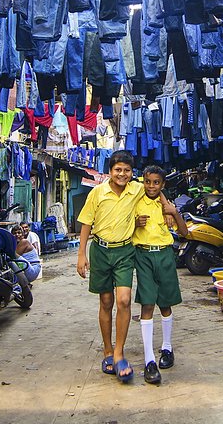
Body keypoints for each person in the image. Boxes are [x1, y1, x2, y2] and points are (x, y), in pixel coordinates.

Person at [76, 150, 144, 383]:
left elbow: (157, 190)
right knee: (106, 302)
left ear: (132, 173)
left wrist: (169, 211)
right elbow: (86, 222)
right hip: (101, 251)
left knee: (124, 300)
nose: (122, 174)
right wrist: (81, 255)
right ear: (110, 171)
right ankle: (107, 350)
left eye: (126, 170)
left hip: (125, 251)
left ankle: (119, 354)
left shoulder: (137, 189)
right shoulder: (97, 192)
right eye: (118, 170)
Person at [132, 165, 188, 385]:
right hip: (143, 255)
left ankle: (167, 347)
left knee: (165, 305)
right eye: (148, 181)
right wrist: (134, 223)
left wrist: (173, 212)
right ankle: (149, 360)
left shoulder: (168, 207)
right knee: (147, 305)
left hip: (164, 255)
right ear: (142, 181)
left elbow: (184, 233)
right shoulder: (135, 199)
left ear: (163, 184)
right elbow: (126, 225)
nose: (151, 186)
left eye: (156, 183)